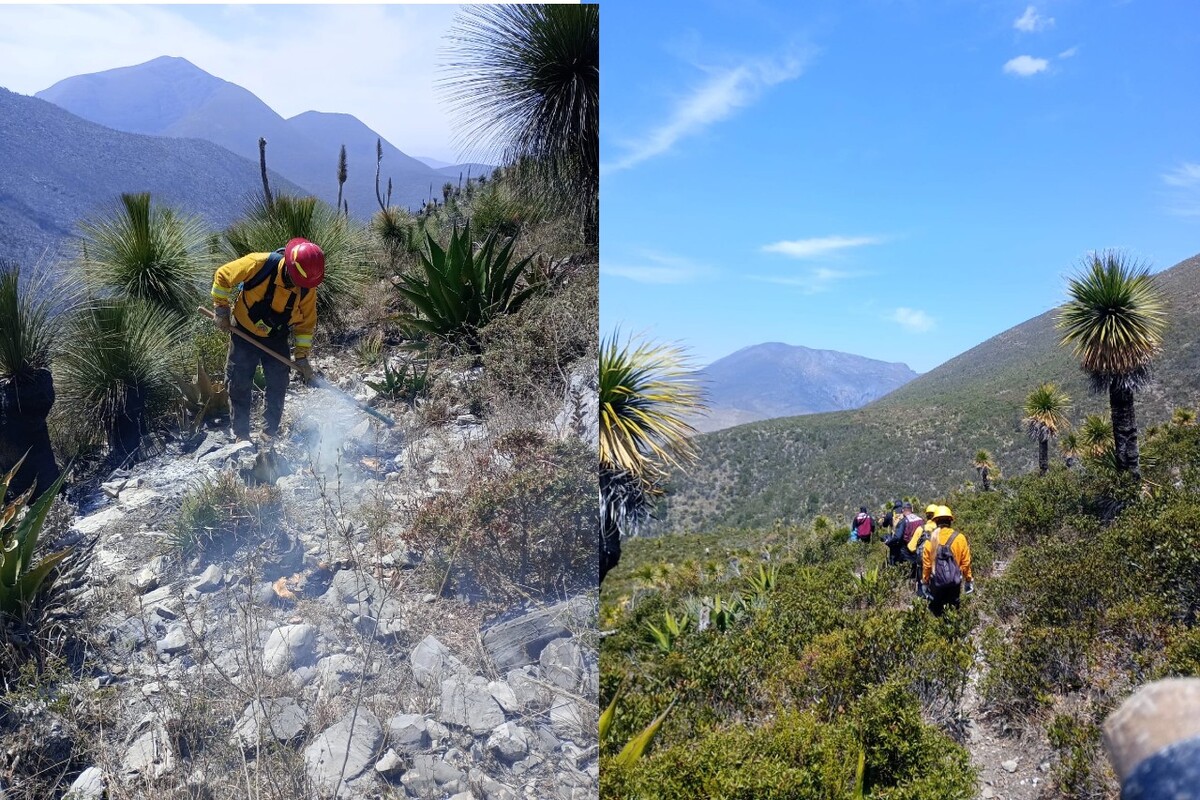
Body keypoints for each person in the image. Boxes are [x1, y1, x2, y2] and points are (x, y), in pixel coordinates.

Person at [211, 238, 325, 442]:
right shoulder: (258, 264)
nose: (299, 286)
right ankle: (242, 435)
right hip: (244, 331)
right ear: (290, 267)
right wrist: (221, 309)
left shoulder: (307, 288)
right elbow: (223, 276)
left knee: (278, 382)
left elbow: (306, 325)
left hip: (276, 336)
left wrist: (301, 357)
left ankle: (268, 433)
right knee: (238, 381)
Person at [919, 505, 974, 617]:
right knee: (953, 611)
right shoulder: (960, 538)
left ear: (935, 521)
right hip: (954, 582)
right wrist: (968, 579)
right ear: (950, 520)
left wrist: (925, 582)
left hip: (936, 583)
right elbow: (966, 562)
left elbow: (927, 565)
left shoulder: (930, 540)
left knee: (936, 612)